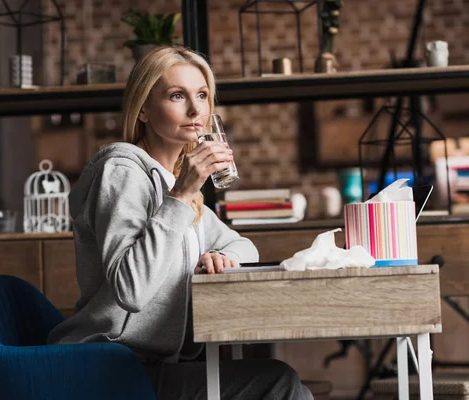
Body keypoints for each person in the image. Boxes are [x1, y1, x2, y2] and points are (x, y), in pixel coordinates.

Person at [48, 46, 313, 400]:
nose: (195, 110)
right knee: (280, 382)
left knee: (289, 383)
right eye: (177, 95)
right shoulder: (122, 173)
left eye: (202, 95)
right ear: (143, 109)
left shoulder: (174, 181)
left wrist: (220, 256)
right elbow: (130, 291)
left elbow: (243, 245)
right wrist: (181, 196)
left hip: (157, 363)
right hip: (110, 367)